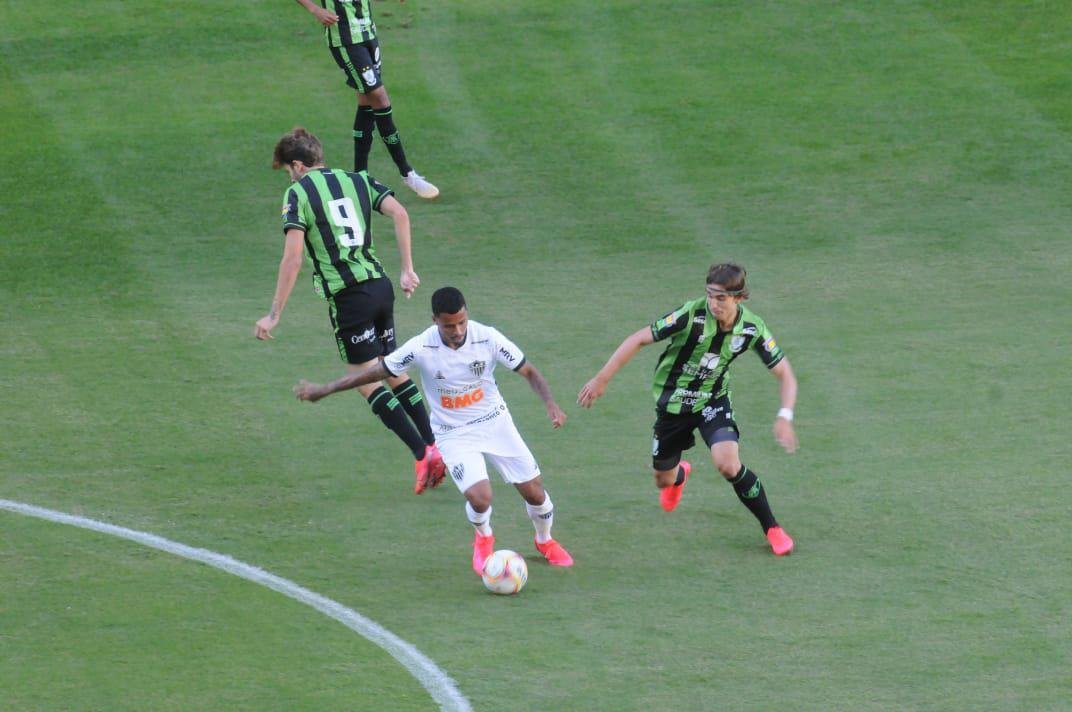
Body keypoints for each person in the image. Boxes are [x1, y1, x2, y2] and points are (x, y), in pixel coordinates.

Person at [294, 287, 575, 573]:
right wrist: (325, 389)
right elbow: (375, 372)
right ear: (435, 321)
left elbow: (528, 370)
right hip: (453, 433)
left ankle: (545, 540)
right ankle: (484, 538)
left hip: (495, 422)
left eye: (462, 322)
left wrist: (550, 403)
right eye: (449, 325)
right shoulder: (421, 347)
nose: (458, 331)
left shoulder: (487, 337)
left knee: (535, 493)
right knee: (480, 497)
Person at [255, 127, 444, 493]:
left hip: (349, 297)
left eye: (288, 170)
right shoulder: (357, 179)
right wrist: (407, 269)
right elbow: (400, 213)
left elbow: (293, 259)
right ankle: (435, 445)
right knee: (391, 367)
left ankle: (422, 454)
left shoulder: (298, 193)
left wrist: (274, 314)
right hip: (381, 287)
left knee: (365, 379)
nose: (289, 177)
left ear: (298, 165)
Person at [578, 262, 798, 556]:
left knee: (728, 464)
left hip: (712, 401)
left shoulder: (752, 328)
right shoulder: (690, 315)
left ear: (739, 298)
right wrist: (601, 379)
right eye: (710, 295)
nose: (713, 303)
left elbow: (785, 374)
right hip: (673, 405)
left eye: (721, 297)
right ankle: (679, 475)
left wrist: (785, 416)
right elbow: (639, 338)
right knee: (663, 479)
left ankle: (773, 528)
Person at [294, 0, 440, 200]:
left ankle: (359, 178)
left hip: (368, 35)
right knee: (380, 98)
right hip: (346, 40)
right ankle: (408, 174)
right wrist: (316, 10)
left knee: (366, 101)